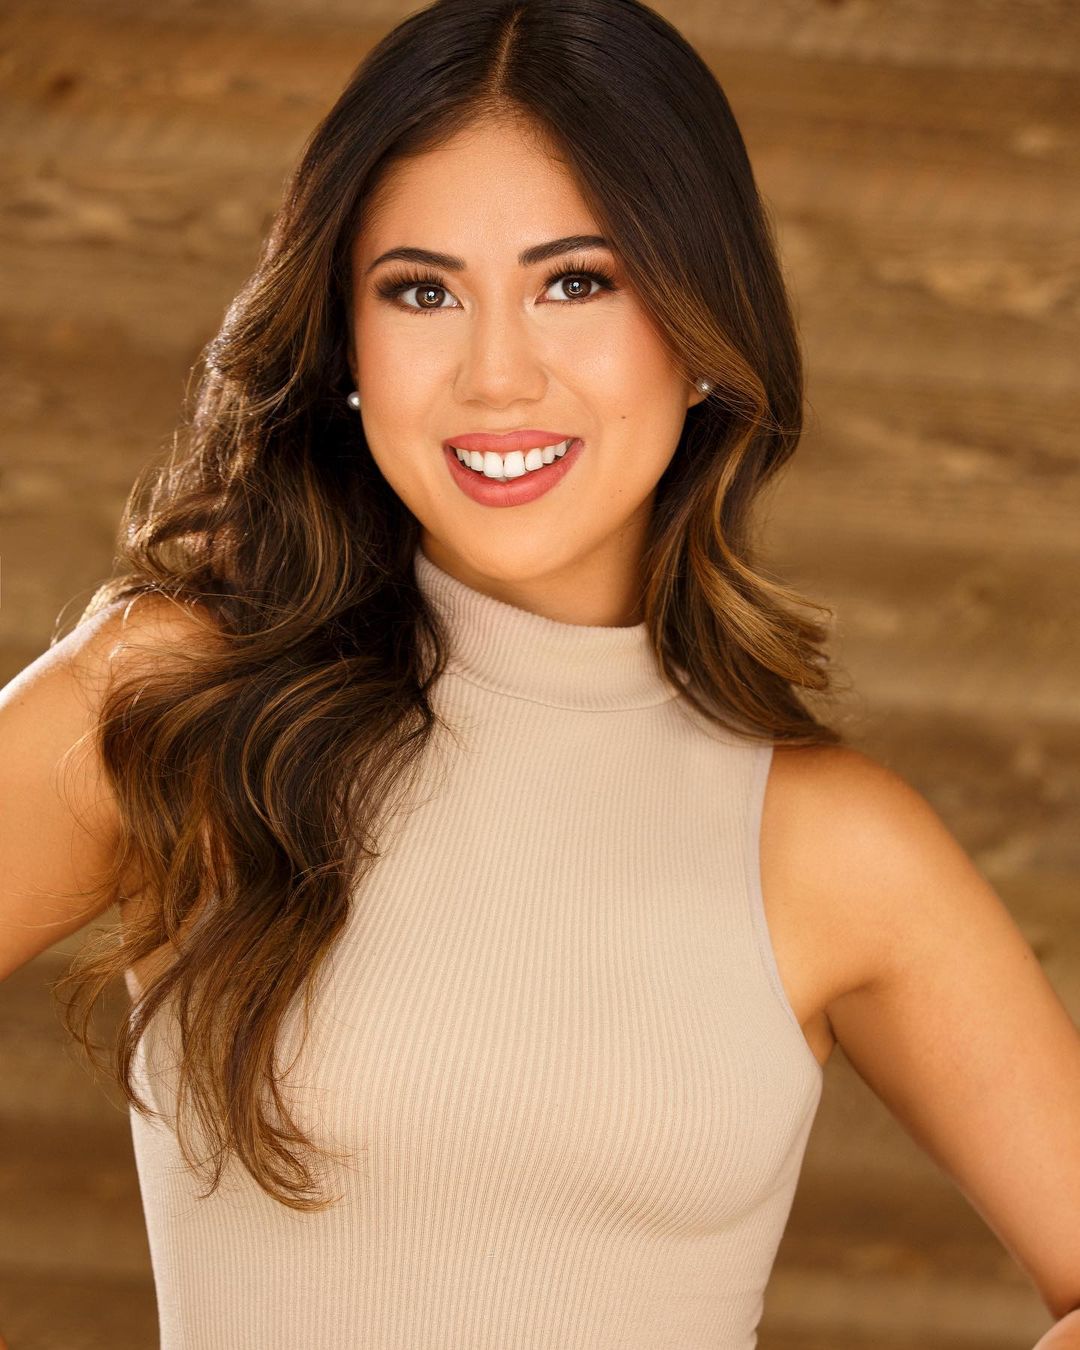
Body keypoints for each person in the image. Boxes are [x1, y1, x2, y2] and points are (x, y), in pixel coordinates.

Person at [2, 1, 1077, 1346]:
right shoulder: (183, 704)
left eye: (576, 282)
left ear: (700, 328)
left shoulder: (831, 843)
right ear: (344, 344)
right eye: (422, 290)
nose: (496, 376)